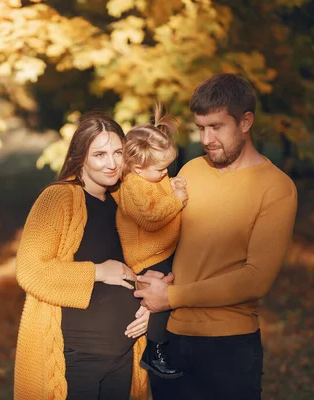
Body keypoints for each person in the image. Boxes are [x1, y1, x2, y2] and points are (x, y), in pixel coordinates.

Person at [134, 73, 298, 400]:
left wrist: (172, 297)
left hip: (229, 347)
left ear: (246, 121)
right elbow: (164, 236)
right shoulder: (191, 171)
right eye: (200, 128)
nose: (206, 138)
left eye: (217, 127)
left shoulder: (276, 188)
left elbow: (255, 279)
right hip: (170, 340)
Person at [14, 113, 159, 400]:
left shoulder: (122, 203)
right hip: (76, 362)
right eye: (100, 154)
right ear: (81, 157)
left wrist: (149, 305)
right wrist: (99, 271)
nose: (112, 163)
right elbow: (30, 271)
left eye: (118, 153)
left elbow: (137, 267)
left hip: (123, 357)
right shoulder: (59, 199)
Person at [116, 103, 188, 379]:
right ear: (136, 167)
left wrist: (175, 188)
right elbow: (151, 218)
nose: (165, 174)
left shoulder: (154, 177)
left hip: (163, 250)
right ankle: (154, 352)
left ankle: (165, 346)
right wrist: (177, 199)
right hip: (147, 257)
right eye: (161, 169)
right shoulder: (132, 186)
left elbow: (165, 190)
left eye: (169, 167)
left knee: (172, 296)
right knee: (160, 301)